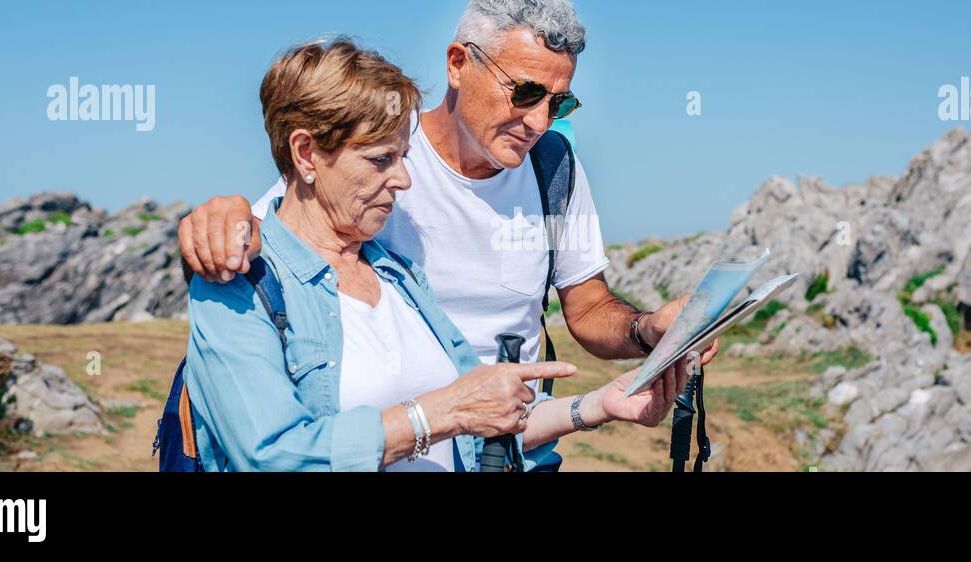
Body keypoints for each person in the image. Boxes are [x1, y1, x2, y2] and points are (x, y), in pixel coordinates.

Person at [178, 0, 716, 470]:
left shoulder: (551, 170)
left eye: (560, 103)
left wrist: (647, 333)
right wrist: (219, 215)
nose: (539, 122)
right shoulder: (381, 139)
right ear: (458, 64)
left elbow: (586, 307)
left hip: (511, 449)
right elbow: (271, 230)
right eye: (525, 93)